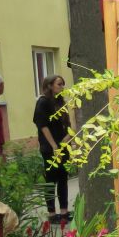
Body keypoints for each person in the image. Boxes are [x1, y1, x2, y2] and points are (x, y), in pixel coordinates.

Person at [33, 74, 71, 223]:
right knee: (51, 180)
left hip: (62, 145)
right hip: (49, 147)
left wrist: (66, 140)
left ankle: (64, 212)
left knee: (63, 177)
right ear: (49, 86)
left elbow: (68, 125)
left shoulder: (61, 102)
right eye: (59, 84)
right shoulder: (43, 102)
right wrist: (54, 146)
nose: (62, 87)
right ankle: (51, 213)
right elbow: (42, 125)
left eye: (63, 84)